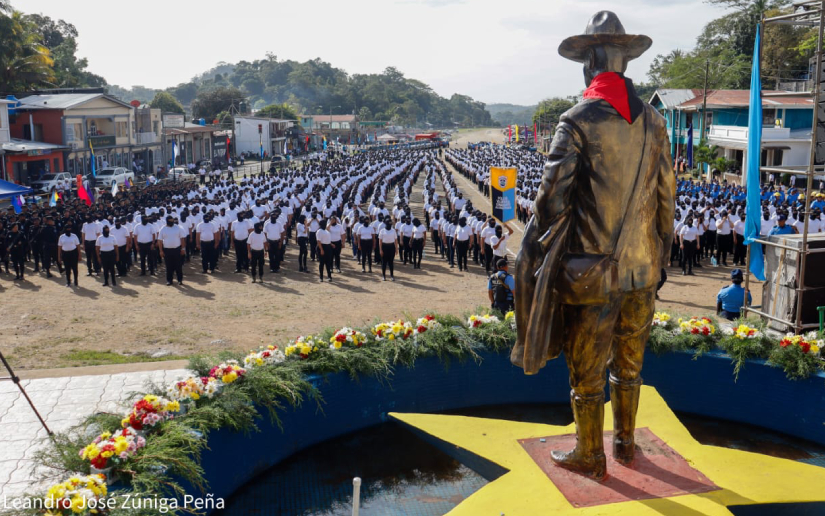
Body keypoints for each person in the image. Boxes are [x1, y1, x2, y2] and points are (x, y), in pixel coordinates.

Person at [512, 11, 675, 480]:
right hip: (643, 270)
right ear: (624, 64)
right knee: (629, 365)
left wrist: (539, 245)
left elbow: (550, 199)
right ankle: (625, 442)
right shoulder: (655, 121)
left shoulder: (576, 120)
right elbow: (666, 197)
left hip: (591, 273)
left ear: (589, 65)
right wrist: (658, 254)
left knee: (586, 373)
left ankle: (590, 453)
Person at [159, 216, 186, 286]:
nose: (172, 222)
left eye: (172, 220)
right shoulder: (163, 229)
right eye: (170, 220)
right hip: (167, 250)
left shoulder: (178, 227)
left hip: (177, 249)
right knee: (168, 266)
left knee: (178, 266)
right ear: (167, 221)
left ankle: (180, 280)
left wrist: (183, 249)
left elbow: (182, 239)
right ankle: (169, 280)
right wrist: (161, 251)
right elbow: (160, 240)